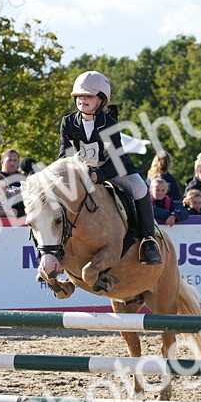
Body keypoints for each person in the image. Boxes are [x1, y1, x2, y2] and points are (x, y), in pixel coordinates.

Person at [59, 71, 161, 265]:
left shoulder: (109, 124)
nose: (82, 100)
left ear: (101, 100)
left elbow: (117, 159)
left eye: (88, 96)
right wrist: (77, 173)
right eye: (79, 96)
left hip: (111, 169)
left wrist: (100, 175)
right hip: (82, 173)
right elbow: (65, 154)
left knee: (140, 188)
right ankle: (54, 248)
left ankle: (148, 241)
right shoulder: (68, 123)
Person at [0, 148, 26, 217]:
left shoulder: (23, 180)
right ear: (2, 162)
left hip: (21, 221)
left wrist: (18, 212)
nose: (12, 163)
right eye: (9, 160)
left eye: (15, 160)